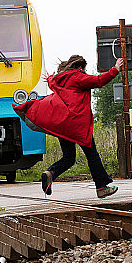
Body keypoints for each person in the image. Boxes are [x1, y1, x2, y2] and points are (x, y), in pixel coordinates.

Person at [13, 55, 124, 198]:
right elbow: (98, 81)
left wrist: (49, 79)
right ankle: (101, 187)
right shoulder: (77, 77)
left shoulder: (60, 80)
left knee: (69, 158)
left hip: (63, 125)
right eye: (84, 69)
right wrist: (115, 69)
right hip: (76, 125)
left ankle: (50, 173)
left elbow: (51, 83)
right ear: (80, 67)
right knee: (92, 154)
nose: (85, 72)